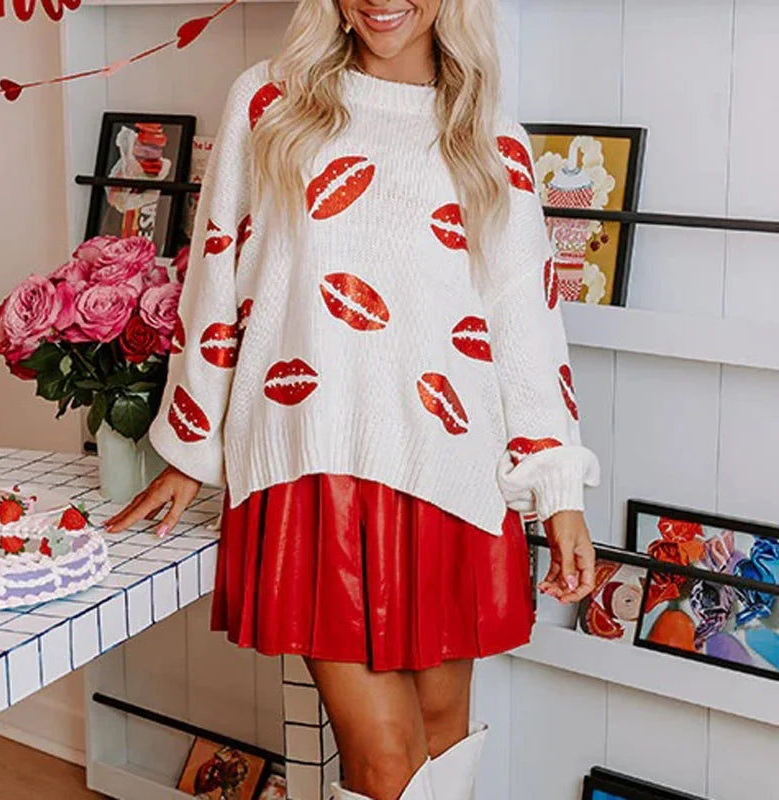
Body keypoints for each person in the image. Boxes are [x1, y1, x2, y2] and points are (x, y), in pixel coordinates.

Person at [102, 0, 602, 796]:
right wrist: (191, 447)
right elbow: (216, 272)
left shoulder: (487, 135)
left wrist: (558, 489)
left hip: (449, 476)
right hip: (312, 465)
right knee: (386, 762)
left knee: (442, 743)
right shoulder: (270, 101)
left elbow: (524, 319)